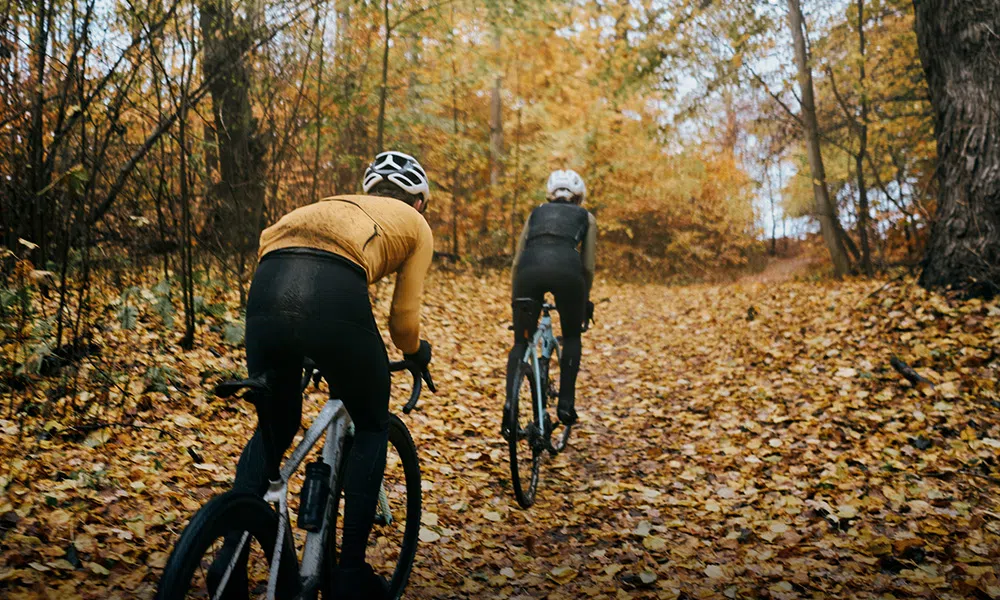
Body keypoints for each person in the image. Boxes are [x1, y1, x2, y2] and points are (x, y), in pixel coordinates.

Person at [212, 150, 434, 600]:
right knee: (372, 422)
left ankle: (227, 558)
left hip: (268, 285)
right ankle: (350, 572)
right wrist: (417, 353)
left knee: (275, 427)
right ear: (419, 203)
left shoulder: (326, 207)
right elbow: (403, 325)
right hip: (332, 296)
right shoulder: (414, 224)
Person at [505, 169, 596, 431]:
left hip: (527, 272)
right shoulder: (586, 217)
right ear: (579, 197)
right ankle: (565, 404)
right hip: (568, 272)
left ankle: (509, 408)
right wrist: (584, 300)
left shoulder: (536, 213)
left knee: (521, 341)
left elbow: (516, 259)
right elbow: (587, 266)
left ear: (550, 193)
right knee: (571, 337)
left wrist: (516, 300)